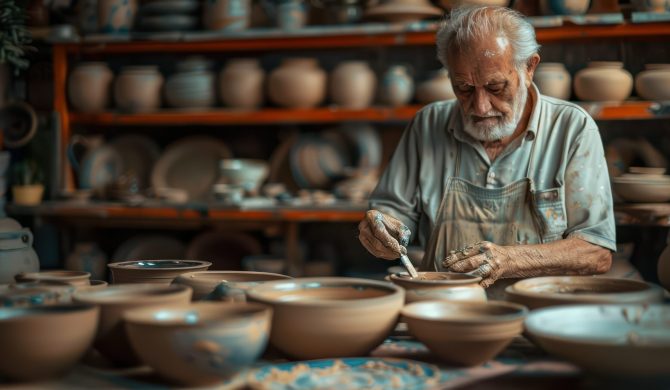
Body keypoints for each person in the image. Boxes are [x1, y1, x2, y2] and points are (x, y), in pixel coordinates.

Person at [358, 6, 615, 295]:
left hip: (541, 313)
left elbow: (596, 251)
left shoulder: (572, 128)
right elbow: (391, 215)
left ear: (529, 68)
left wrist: (510, 259)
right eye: (464, 88)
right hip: (443, 309)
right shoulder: (427, 124)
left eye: (495, 87)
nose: (480, 107)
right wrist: (380, 231)